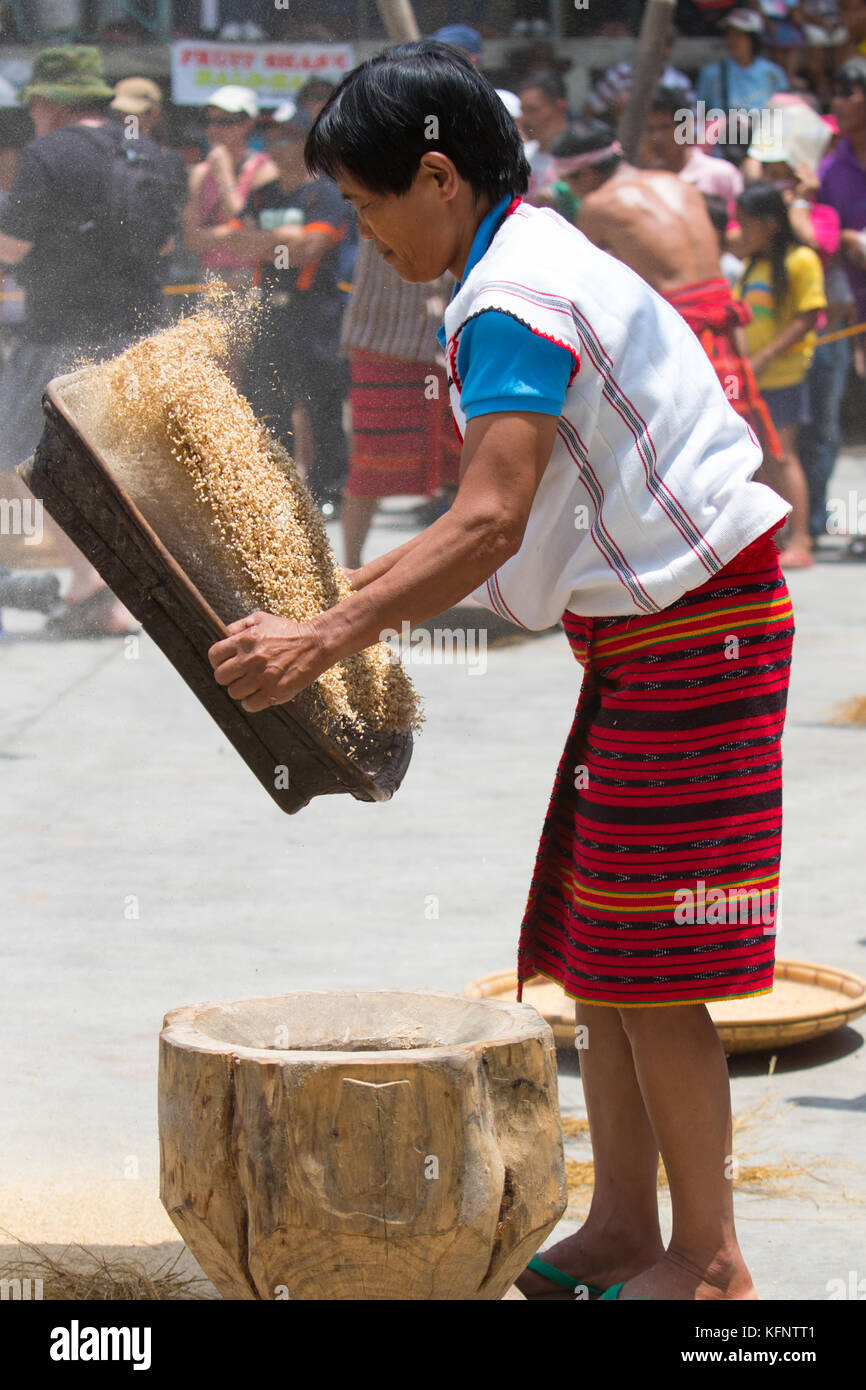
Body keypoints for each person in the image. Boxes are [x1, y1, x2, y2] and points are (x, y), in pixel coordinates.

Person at [209, 40, 794, 1302]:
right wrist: (338, 597)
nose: (363, 239)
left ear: (434, 178)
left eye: (364, 208)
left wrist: (322, 638)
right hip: (648, 633)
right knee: (600, 952)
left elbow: (487, 517)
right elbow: (479, 523)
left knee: (659, 964)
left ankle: (708, 1262)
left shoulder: (507, 300)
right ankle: (626, 1226)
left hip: (700, 630)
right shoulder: (524, 257)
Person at [0, 46, 183, 637]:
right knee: (121, 463)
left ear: (47, 103)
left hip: (60, 335)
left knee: (27, 455)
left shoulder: (49, 153)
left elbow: (11, 247)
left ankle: (92, 588)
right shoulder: (147, 152)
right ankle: (137, 593)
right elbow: (163, 246)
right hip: (140, 331)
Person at [567, 120, 785, 513]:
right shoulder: (680, 184)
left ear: (583, 173)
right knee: (745, 424)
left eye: (571, 181)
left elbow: (582, 278)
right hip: (722, 320)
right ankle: (784, 531)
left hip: (679, 330)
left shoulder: (597, 206)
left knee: (684, 439)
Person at [218, 105, 351, 516]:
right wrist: (285, 241)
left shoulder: (327, 193)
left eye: (286, 137)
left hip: (317, 314)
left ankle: (328, 492)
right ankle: (275, 491)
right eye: (269, 138)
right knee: (267, 403)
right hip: (270, 313)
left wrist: (272, 243)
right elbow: (234, 242)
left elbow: (310, 249)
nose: (274, 147)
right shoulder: (264, 194)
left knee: (322, 408)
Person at [743, 98, 850, 539]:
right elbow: (750, 195)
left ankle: (812, 525)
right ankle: (783, 531)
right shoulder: (758, 251)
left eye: (784, 172)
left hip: (812, 352)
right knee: (772, 449)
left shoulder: (818, 218)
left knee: (811, 438)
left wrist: (801, 199)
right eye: (772, 174)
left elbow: (812, 244)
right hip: (766, 361)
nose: (776, 181)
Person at [735, 183, 827, 567]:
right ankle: (776, 535)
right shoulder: (752, 263)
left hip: (783, 376)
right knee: (761, 460)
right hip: (750, 377)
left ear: (769, 223)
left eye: (746, 222)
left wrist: (767, 356)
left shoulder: (801, 259)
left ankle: (801, 540)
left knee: (784, 455)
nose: (740, 230)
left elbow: (809, 316)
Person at [181, 86, 277, 289]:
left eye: (225, 122)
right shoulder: (201, 173)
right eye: (208, 122)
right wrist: (232, 234)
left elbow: (253, 231)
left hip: (253, 279)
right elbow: (190, 238)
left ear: (247, 124)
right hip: (211, 280)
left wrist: (224, 177)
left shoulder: (265, 168)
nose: (214, 130)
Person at [696, 8, 789, 162]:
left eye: (739, 35)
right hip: (724, 149)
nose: (732, 40)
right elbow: (699, 113)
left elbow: (783, 114)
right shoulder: (712, 73)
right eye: (729, 34)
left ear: (752, 39)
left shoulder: (772, 73)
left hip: (764, 149)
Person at [643, 84, 745, 200]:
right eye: (650, 129)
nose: (657, 137)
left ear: (685, 128)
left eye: (665, 127)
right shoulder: (638, 181)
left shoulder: (721, 175)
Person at [517, 70, 569, 201]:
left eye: (533, 110)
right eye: (523, 111)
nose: (524, 119)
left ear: (560, 108)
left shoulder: (579, 160)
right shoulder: (521, 156)